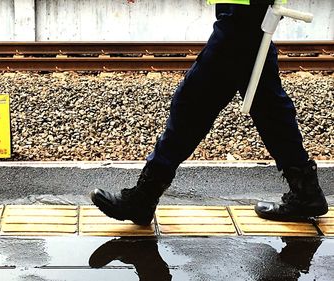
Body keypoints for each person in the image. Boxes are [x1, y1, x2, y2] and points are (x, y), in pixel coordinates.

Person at [90, 0, 328, 225]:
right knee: (266, 103)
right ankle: (305, 192)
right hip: (247, 9)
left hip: (245, 11)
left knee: (192, 102)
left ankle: (145, 196)